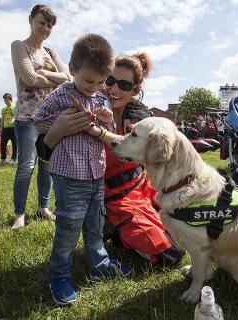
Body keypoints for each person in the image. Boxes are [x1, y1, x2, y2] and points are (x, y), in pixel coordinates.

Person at [42, 52, 185, 266]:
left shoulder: (140, 114)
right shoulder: (83, 105)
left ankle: (118, 227)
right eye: (110, 80)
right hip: (110, 197)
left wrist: (98, 132)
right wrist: (57, 131)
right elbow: (43, 152)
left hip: (143, 187)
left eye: (125, 85)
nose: (114, 90)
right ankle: (112, 229)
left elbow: (148, 149)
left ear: (135, 90)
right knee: (170, 253)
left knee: (187, 228)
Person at [35, 34, 131, 306]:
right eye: (90, 81)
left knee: (95, 222)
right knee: (68, 225)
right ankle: (59, 274)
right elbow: (40, 122)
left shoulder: (100, 96)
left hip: (95, 173)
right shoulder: (60, 95)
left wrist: (108, 120)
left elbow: (107, 133)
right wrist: (65, 120)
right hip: (69, 174)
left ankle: (99, 262)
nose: (96, 87)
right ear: (73, 69)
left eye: (102, 81)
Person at [10, 4, 70, 229]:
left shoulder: (51, 52)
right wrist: (50, 77)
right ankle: (19, 213)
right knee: (26, 165)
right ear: (30, 20)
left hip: (51, 118)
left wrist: (44, 72)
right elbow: (29, 78)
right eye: (41, 22)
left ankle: (43, 206)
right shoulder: (19, 46)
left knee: (47, 164)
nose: (45, 28)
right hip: (27, 117)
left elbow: (68, 78)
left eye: (50, 25)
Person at [0, 93, 17, 164]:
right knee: (3, 144)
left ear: (10, 99)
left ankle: (14, 159)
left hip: (13, 129)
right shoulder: (3, 109)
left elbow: (15, 116)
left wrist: (13, 120)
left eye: (6, 100)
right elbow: (2, 119)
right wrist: (1, 129)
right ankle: (3, 159)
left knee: (14, 144)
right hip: (5, 129)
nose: (5, 102)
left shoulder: (14, 108)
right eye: (4, 100)